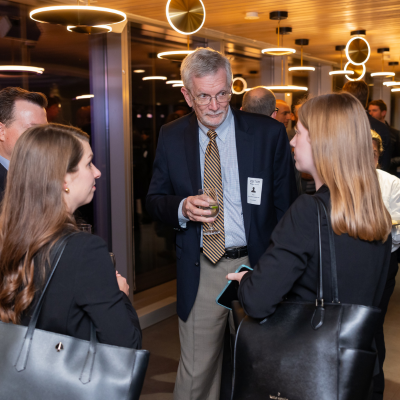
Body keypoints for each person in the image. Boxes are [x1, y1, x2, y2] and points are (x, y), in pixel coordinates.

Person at [146, 47, 298, 400]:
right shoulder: (171, 136)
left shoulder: (267, 134)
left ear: (232, 87)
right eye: (204, 96)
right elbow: (155, 200)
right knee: (197, 374)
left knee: (265, 370)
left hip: (260, 264)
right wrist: (182, 207)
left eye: (223, 94)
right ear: (186, 94)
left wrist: (281, 271)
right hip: (203, 269)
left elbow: (286, 207)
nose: (215, 106)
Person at [228, 94, 391, 393]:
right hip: (359, 373)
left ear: (323, 142)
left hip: (312, 373)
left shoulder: (308, 211)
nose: (292, 141)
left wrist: (247, 280)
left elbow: (258, 301)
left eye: (300, 133)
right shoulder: (375, 212)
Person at [0, 123, 142, 349]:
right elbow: (125, 345)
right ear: (63, 179)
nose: (97, 172)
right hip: (70, 381)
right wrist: (121, 296)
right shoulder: (85, 250)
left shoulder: (8, 235)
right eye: (88, 163)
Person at [371, 129, 400, 400]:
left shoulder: (392, 183)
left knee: (374, 322)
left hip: (384, 261)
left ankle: (375, 385)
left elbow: (398, 231)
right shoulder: (340, 183)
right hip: (353, 265)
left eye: (374, 153)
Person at [0, 87, 48, 195]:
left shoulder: (46, 173)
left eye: (44, 130)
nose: (43, 137)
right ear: (1, 131)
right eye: (32, 130)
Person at [342, 81, 392, 172]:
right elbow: (385, 164)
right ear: (366, 99)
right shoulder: (382, 127)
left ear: (345, 99)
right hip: (374, 181)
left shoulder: (338, 125)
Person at [369, 99, 400, 177]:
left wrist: (388, 161)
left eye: (374, 110)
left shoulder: (395, 133)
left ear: (383, 113)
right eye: (369, 111)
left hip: (389, 176)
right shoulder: (366, 132)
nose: (371, 113)